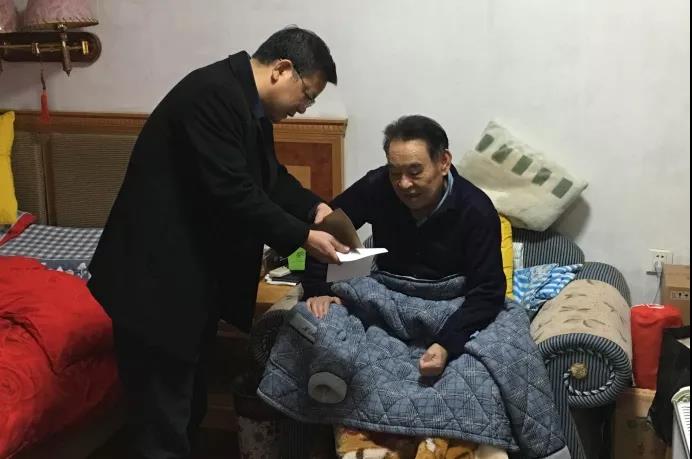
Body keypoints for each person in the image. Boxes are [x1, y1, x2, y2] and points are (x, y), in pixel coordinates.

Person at [87, 27, 349, 459]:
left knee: (189, 406)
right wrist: (304, 238)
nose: (304, 108)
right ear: (282, 70)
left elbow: (269, 179)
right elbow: (234, 194)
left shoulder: (247, 103)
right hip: (154, 283)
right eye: (307, 94)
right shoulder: (211, 96)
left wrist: (316, 208)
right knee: (162, 421)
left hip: (188, 283)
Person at [303, 114, 506, 377]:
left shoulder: (476, 209)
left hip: (450, 306)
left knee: (497, 355)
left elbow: (488, 290)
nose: (404, 184)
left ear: (443, 162)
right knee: (309, 326)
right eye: (395, 173)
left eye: (415, 171)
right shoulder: (377, 186)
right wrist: (318, 289)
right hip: (384, 297)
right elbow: (325, 230)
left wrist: (446, 344)